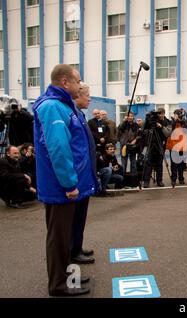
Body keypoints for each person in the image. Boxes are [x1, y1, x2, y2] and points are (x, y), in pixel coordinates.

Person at [33, 64, 98, 296]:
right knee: (59, 238)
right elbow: (58, 149)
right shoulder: (52, 107)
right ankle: (58, 285)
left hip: (67, 184)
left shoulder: (62, 106)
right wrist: (69, 183)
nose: (80, 86)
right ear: (64, 83)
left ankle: (66, 278)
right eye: (77, 81)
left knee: (64, 237)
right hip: (61, 186)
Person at [71, 81, 97, 265]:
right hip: (77, 176)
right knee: (74, 218)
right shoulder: (71, 114)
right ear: (77, 95)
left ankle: (77, 248)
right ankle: (73, 251)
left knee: (80, 217)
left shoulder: (79, 114)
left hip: (85, 173)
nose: (89, 98)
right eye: (87, 95)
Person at [142, 108, 171, 188]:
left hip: (160, 144)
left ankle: (159, 181)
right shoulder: (151, 121)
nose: (160, 115)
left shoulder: (166, 121)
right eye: (159, 114)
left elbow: (168, 133)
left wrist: (161, 126)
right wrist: (147, 119)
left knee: (159, 164)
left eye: (162, 114)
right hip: (151, 144)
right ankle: (146, 181)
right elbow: (144, 129)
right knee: (148, 163)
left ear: (164, 114)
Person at [166, 109, 187, 187]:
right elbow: (170, 131)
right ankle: (173, 179)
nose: (178, 116)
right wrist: (175, 121)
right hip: (173, 146)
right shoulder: (171, 122)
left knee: (181, 164)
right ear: (174, 115)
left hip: (182, 146)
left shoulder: (184, 122)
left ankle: (181, 178)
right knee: (173, 164)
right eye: (176, 114)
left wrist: (182, 121)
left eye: (179, 114)